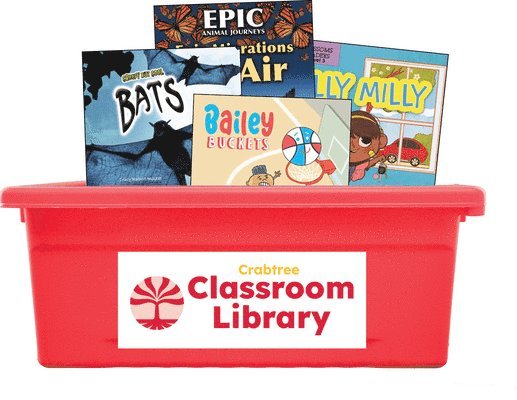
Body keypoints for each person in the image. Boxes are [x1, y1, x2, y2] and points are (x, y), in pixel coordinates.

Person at [349, 110, 388, 182]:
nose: (353, 148)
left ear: (381, 142)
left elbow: (367, 164)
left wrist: (379, 158)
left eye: (365, 141)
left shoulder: (360, 163)